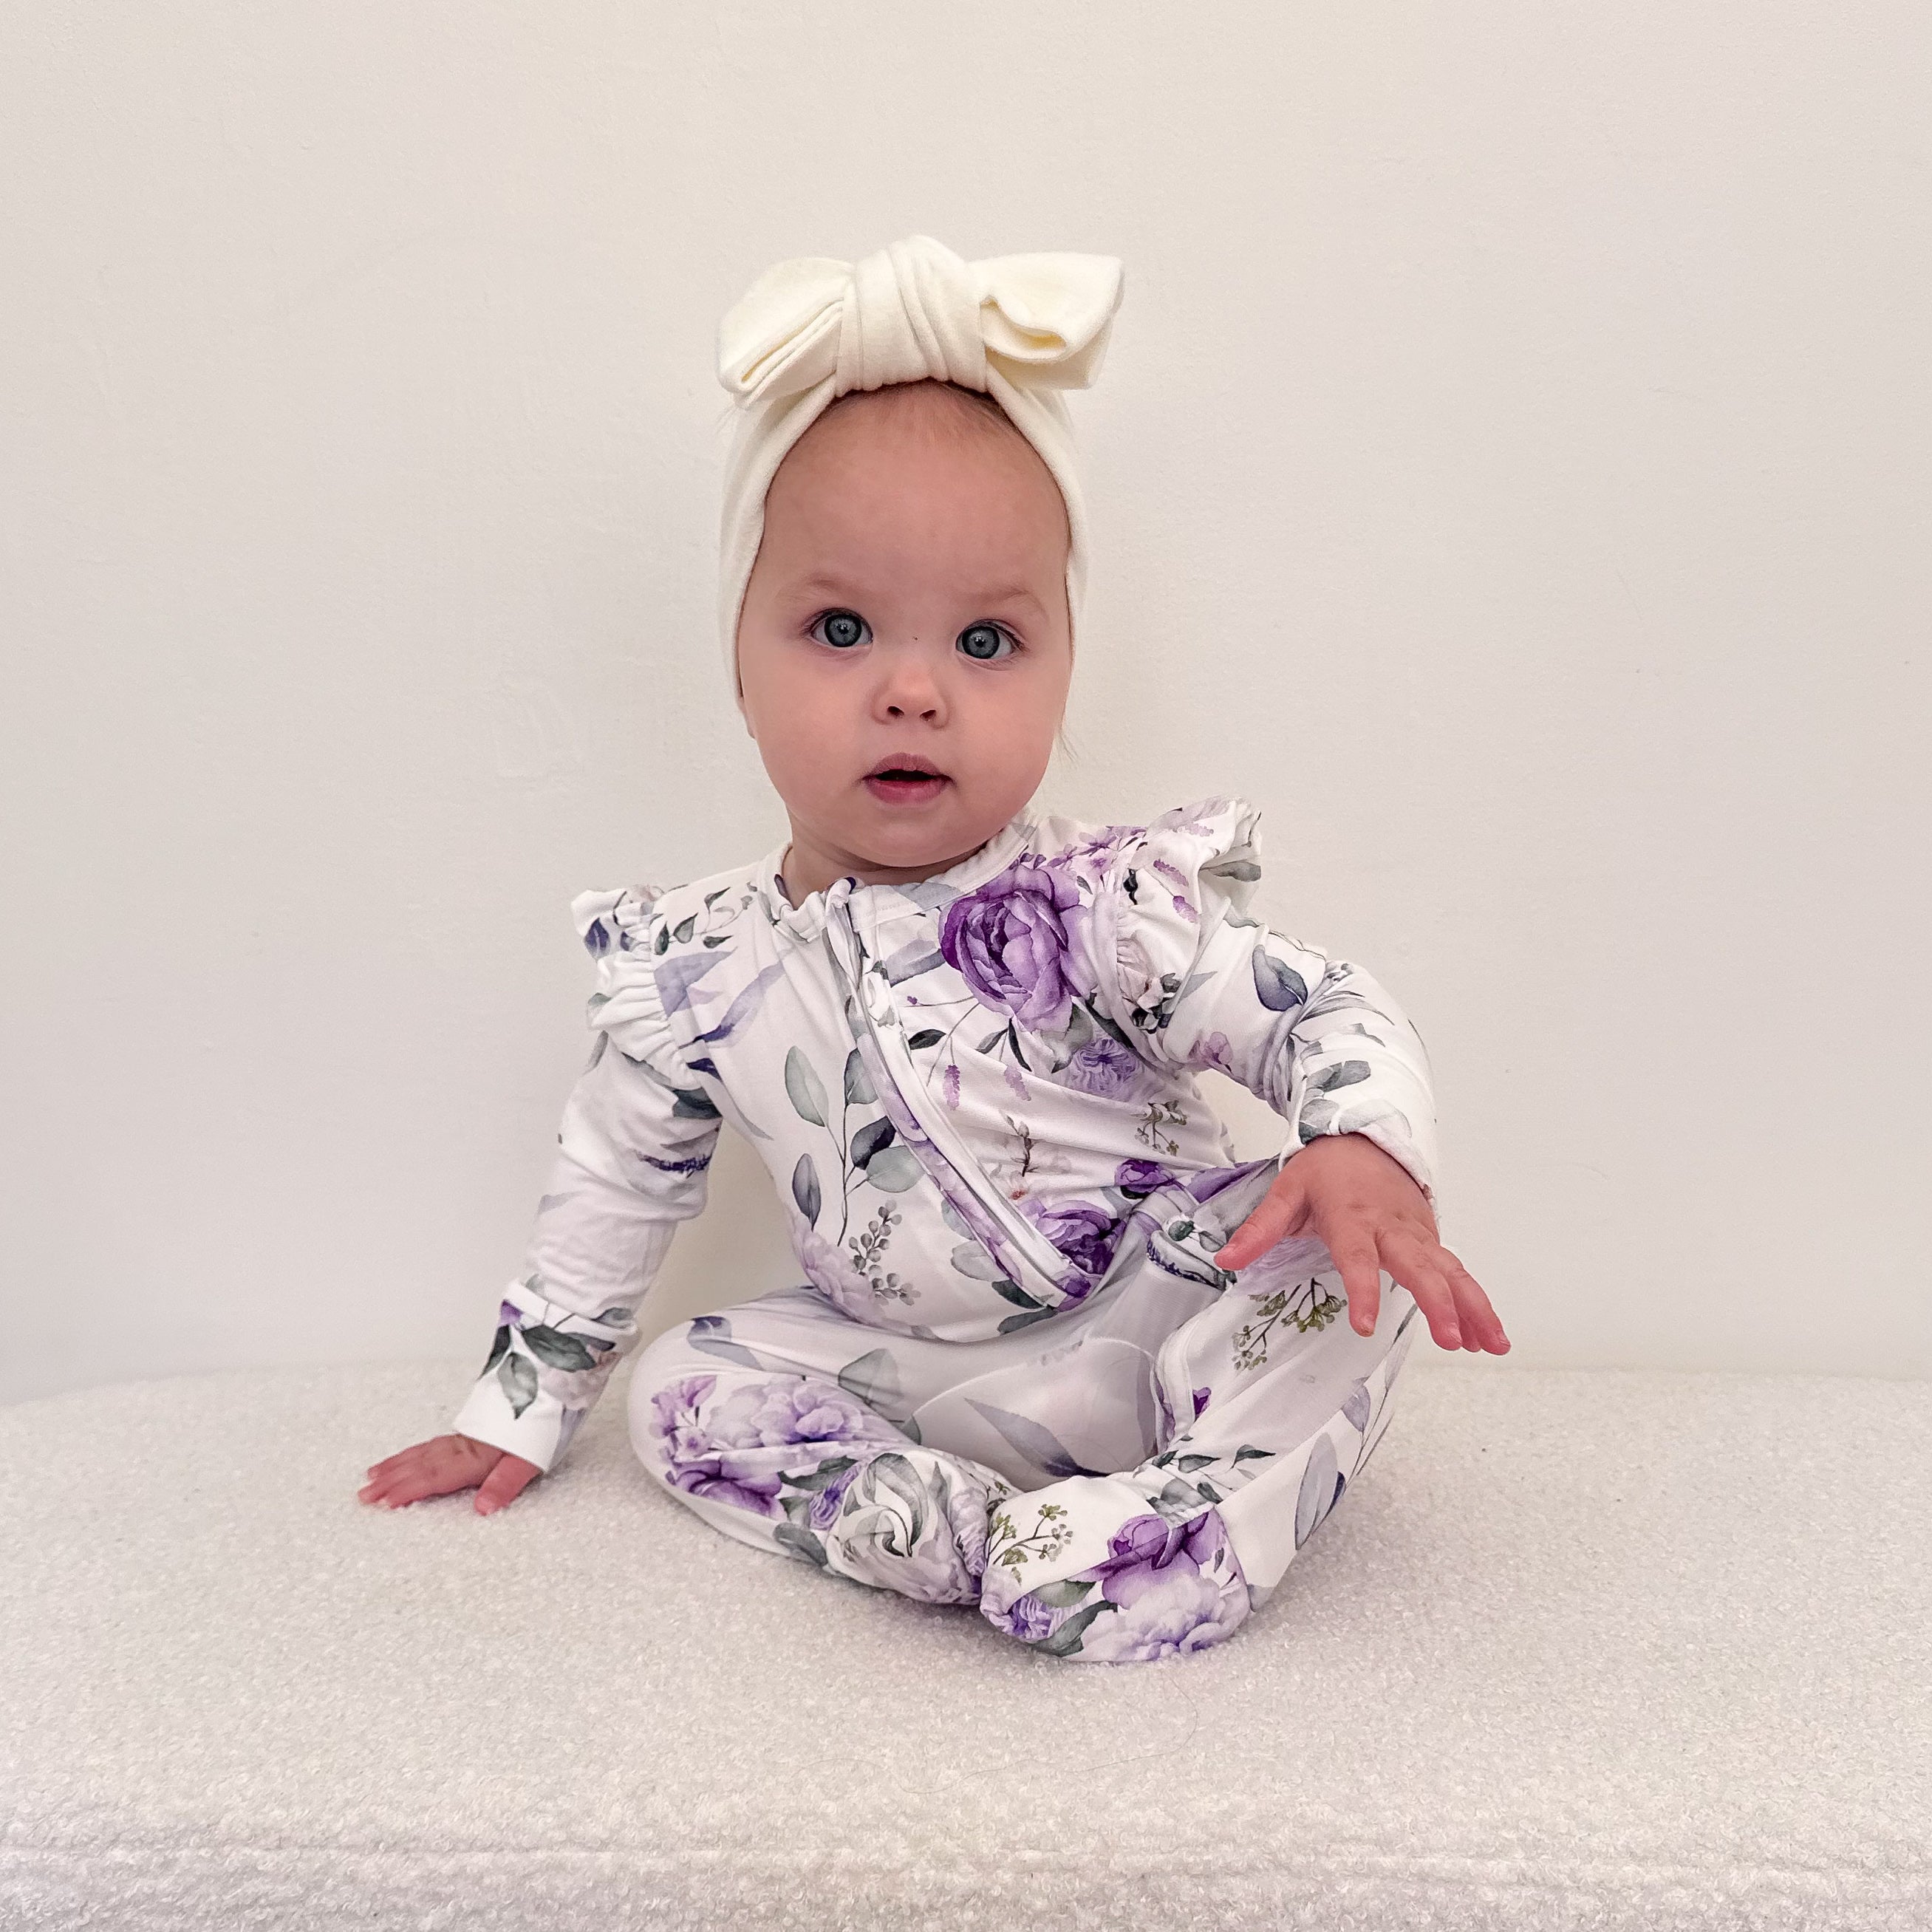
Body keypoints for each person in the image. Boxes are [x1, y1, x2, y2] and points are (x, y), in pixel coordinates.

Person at [358, 234, 1509, 1664]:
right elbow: (615, 1181)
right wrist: (515, 1409)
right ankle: (948, 1528)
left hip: (1167, 1306)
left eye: (986, 642)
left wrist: (1362, 1145)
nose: (913, 691)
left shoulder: (1103, 902)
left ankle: (1178, 1531)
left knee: (1334, 1263)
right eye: (840, 628)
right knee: (683, 1391)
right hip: (930, 1378)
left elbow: (1309, 1004)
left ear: (1065, 668)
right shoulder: (693, 968)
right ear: (737, 661)